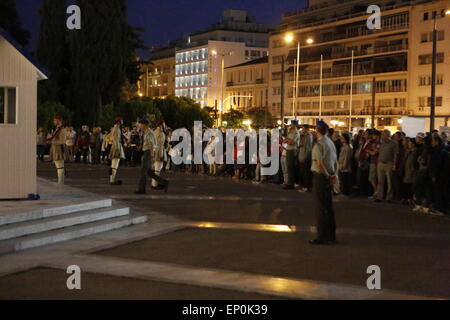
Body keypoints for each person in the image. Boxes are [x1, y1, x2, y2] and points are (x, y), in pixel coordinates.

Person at [310, 120, 338, 245]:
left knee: (320, 207)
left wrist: (327, 176)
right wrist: (333, 176)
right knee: (329, 207)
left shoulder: (319, 144)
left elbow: (319, 163)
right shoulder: (330, 142)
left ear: (317, 130)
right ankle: (331, 235)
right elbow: (335, 161)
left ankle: (322, 236)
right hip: (330, 175)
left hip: (321, 177)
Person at [135, 118, 169, 194]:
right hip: (146, 152)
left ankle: (142, 189)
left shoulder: (149, 132)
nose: (140, 126)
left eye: (141, 124)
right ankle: (164, 182)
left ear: (145, 125)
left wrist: (152, 156)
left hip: (148, 153)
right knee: (149, 172)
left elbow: (151, 145)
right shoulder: (147, 132)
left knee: (143, 172)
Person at [375, 130, 398, 203]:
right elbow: (378, 151)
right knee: (380, 181)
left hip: (389, 163)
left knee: (389, 181)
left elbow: (395, 154)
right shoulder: (381, 143)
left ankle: (389, 197)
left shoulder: (393, 143)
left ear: (387, 135)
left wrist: (394, 164)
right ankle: (379, 196)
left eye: (383, 135)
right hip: (381, 163)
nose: (381, 136)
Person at [47, 116, 66, 184]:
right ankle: (60, 181)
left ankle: (60, 182)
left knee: (60, 167)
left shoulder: (61, 129)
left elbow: (62, 141)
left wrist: (52, 141)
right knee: (59, 166)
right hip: (56, 148)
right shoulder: (58, 129)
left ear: (59, 120)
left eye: (55, 120)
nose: (54, 122)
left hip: (58, 149)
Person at [108, 118, 126, 185]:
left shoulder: (114, 129)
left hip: (115, 146)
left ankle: (112, 179)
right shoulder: (117, 129)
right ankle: (112, 180)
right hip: (116, 146)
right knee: (114, 165)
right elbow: (114, 139)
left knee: (114, 164)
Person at [282, 121, 299, 190]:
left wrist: (288, 140)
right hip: (288, 150)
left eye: (292, 124)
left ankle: (291, 183)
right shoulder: (290, 132)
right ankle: (289, 182)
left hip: (292, 150)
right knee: (288, 167)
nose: (290, 125)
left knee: (290, 167)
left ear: (295, 125)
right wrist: (288, 140)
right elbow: (285, 141)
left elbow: (291, 142)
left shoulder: (296, 133)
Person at [152, 120, 168, 189]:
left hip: (157, 150)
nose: (165, 126)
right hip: (159, 150)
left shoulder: (156, 131)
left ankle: (154, 183)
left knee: (157, 168)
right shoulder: (160, 132)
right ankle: (154, 184)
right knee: (157, 169)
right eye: (164, 124)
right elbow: (159, 143)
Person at [298, 125, 313, 192]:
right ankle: (304, 186)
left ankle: (306, 187)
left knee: (306, 173)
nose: (302, 130)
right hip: (301, 156)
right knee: (302, 172)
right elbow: (300, 144)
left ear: (306, 129)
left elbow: (308, 148)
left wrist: (305, 157)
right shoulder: (303, 136)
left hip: (305, 157)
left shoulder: (308, 136)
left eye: (303, 129)